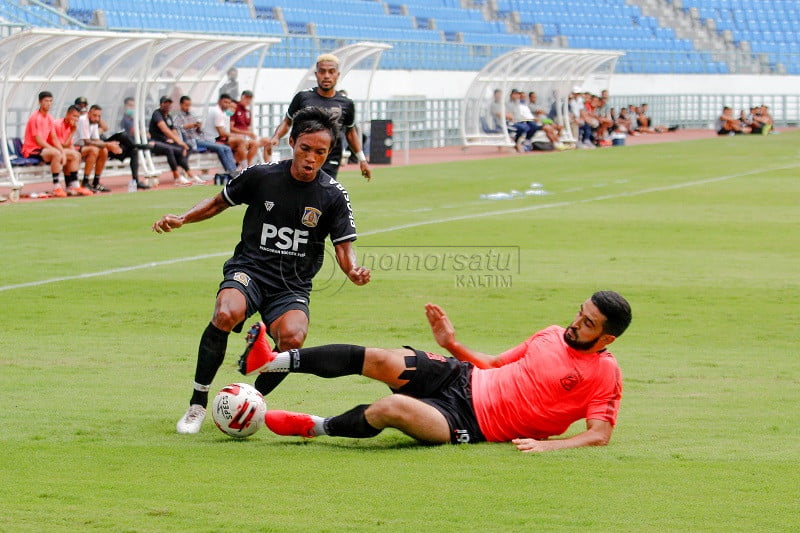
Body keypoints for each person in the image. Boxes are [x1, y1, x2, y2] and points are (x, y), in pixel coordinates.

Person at [153, 107, 372, 434]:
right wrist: (183, 218)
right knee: (226, 313)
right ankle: (197, 404)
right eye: (305, 149)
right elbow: (217, 202)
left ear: (329, 153)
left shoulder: (333, 195)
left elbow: (344, 249)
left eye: (320, 152)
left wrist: (352, 270)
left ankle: (250, 401)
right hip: (250, 271)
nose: (311, 158)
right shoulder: (262, 175)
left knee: (293, 338)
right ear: (292, 142)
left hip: (292, 286)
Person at [238, 291, 631, 452]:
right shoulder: (550, 334)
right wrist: (451, 345)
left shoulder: (604, 374)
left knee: (390, 409)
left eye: (589, 322)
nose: (576, 322)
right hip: (462, 377)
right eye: (580, 312)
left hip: (471, 422)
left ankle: (314, 426)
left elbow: (601, 434)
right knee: (382, 359)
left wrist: (548, 446)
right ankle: (271, 360)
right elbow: (493, 364)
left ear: (606, 339)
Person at [269, 53, 371, 181]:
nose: (326, 76)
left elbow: (350, 132)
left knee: (325, 192)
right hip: (304, 155)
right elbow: (287, 121)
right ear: (316, 74)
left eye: (331, 72)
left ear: (337, 75)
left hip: (331, 158)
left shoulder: (346, 103)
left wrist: (362, 159)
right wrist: (276, 137)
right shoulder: (302, 97)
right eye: (322, 72)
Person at [21, 91, 71, 197]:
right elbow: (39, 140)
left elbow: (54, 138)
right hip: (31, 150)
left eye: (50, 101)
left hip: (43, 150)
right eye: (46, 101)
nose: (48, 103)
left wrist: (62, 152)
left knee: (73, 155)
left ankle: (73, 185)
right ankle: (57, 186)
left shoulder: (49, 117)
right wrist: (57, 152)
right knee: (56, 154)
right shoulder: (35, 117)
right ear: (40, 102)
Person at [173, 95, 237, 176]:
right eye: (186, 105)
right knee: (220, 147)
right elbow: (175, 129)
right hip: (192, 141)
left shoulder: (192, 115)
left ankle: (232, 171)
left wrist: (199, 127)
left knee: (225, 148)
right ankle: (231, 171)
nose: (188, 107)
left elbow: (199, 131)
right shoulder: (177, 117)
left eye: (189, 105)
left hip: (200, 139)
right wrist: (187, 126)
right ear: (181, 104)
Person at [149, 96, 195, 185]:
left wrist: (180, 143)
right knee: (170, 149)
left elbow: (174, 131)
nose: (167, 105)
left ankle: (184, 170)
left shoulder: (169, 116)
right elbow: (165, 130)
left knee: (188, 147)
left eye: (169, 103)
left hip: (166, 142)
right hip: (156, 142)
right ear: (160, 104)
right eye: (165, 103)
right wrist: (179, 142)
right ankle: (177, 176)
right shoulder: (157, 114)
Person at [76, 104, 123, 193]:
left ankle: (96, 182)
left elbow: (97, 140)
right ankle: (85, 182)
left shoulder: (94, 122)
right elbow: (87, 142)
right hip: (75, 147)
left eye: (99, 116)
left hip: (84, 148)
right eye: (94, 115)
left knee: (104, 151)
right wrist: (108, 144)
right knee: (94, 149)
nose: (97, 118)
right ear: (89, 113)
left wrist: (111, 146)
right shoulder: (83, 120)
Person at [202, 93, 251, 170]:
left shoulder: (223, 114)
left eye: (229, 103)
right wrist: (234, 136)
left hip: (219, 139)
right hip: (214, 141)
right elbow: (221, 133)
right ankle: (242, 167)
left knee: (244, 144)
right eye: (226, 102)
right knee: (241, 142)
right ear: (219, 102)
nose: (228, 106)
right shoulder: (218, 113)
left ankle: (240, 167)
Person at [53, 105, 91, 196]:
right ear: (67, 114)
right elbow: (61, 145)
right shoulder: (58, 125)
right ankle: (74, 184)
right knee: (73, 155)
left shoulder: (70, 126)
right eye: (74, 116)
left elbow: (69, 145)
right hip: (52, 149)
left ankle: (70, 185)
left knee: (75, 154)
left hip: (61, 150)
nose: (76, 119)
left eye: (78, 117)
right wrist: (73, 131)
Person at [231, 90, 271, 165]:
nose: (248, 100)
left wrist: (250, 134)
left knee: (268, 142)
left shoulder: (247, 112)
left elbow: (247, 127)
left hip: (247, 136)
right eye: (246, 98)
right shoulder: (234, 108)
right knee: (254, 144)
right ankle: (248, 166)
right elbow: (231, 128)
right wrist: (247, 133)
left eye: (250, 99)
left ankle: (268, 165)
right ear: (242, 97)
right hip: (238, 136)